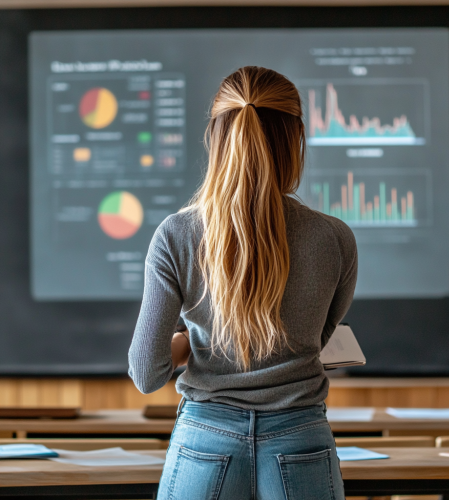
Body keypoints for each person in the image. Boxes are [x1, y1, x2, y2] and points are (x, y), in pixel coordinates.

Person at [129, 66, 357, 500]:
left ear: (215, 137)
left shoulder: (175, 235)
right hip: (300, 439)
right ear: (296, 140)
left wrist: (189, 341)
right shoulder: (334, 237)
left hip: (205, 442)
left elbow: (146, 372)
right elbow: (317, 338)